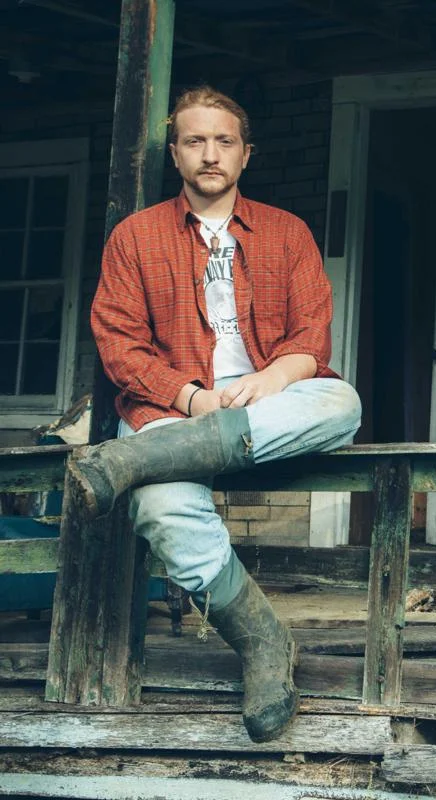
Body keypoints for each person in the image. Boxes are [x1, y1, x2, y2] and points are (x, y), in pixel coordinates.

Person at [71, 86, 361, 742]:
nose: (210, 154)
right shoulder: (134, 238)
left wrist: (267, 380)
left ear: (245, 154)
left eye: (223, 141)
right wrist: (193, 398)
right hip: (173, 403)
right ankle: (263, 643)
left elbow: (311, 339)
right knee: (158, 506)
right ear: (175, 154)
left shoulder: (288, 233)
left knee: (344, 404)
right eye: (195, 141)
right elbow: (120, 344)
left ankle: (132, 462)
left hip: (270, 398)